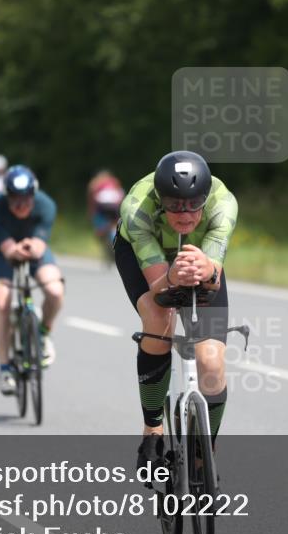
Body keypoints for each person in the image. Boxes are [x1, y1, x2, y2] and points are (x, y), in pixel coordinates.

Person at [114, 150, 237, 471]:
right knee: (159, 318)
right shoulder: (137, 208)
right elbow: (159, 287)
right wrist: (171, 275)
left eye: (194, 204)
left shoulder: (223, 205)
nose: (184, 215)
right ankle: (152, 428)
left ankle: (203, 455)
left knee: (210, 361)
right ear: (159, 198)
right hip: (141, 250)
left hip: (198, 255)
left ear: (206, 197)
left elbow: (213, 275)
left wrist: (205, 269)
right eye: (173, 206)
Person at [0, 165, 65, 394]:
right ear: (6, 197)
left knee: (55, 290)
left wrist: (31, 247)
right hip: (1, 252)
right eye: (15, 201)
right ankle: (5, 368)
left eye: (26, 200)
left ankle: (43, 332)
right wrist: (13, 250)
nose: (21, 207)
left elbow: (39, 246)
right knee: (2, 302)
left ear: (34, 195)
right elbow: (7, 249)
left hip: (33, 247)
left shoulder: (46, 206)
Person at [87, 169, 125, 249]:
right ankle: (115, 243)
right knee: (113, 226)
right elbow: (121, 195)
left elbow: (92, 200)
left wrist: (92, 213)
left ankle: (104, 236)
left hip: (101, 207)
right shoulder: (114, 181)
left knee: (100, 230)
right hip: (115, 206)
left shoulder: (94, 183)